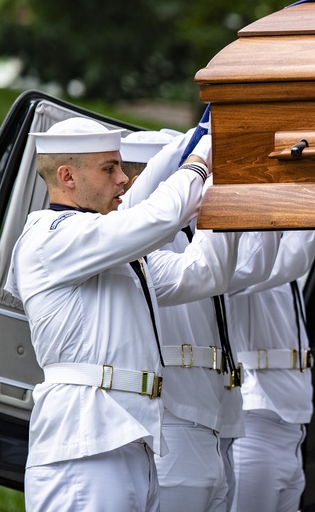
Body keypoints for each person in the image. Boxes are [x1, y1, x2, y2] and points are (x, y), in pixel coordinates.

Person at [5, 117, 241, 512]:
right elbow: (159, 218)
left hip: (130, 441)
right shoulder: (51, 235)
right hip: (84, 447)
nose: (124, 180)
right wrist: (201, 158)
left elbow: (206, 273)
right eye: (108, 168)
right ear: (67, 176)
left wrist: (229, 182)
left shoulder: (113, 250)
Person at [119, 128, 281, 512]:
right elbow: (202, 271)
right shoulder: (130, 239)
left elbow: (255, 265)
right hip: (174, 415)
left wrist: (268, 187)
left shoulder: (190, 233)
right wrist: (208, 137)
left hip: (218, 417)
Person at [227, 229, 315, 512]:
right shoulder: (244, 253)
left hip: (293, 424)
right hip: (256, 422)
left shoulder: (279, 252)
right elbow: (293, 259)